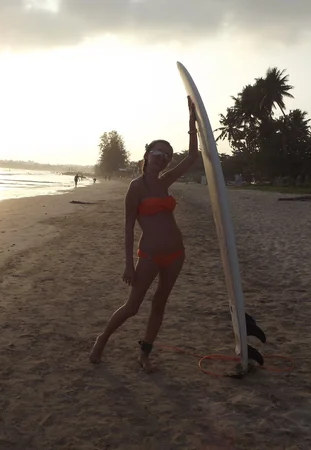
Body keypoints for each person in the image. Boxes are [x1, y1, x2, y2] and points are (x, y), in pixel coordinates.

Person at [89, 96, 200, 372]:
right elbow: (128, 227)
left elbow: (193, 158)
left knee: (160, 303)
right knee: (133, 306)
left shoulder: (165, 182)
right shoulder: (135, 187)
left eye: (167, 156)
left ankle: (144, 353)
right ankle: (103, 338)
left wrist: (191, 123)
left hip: (176, 254)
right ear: (147, 155)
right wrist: (128, 263)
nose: (162, 159)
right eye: (158, 153)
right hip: (149, 255)